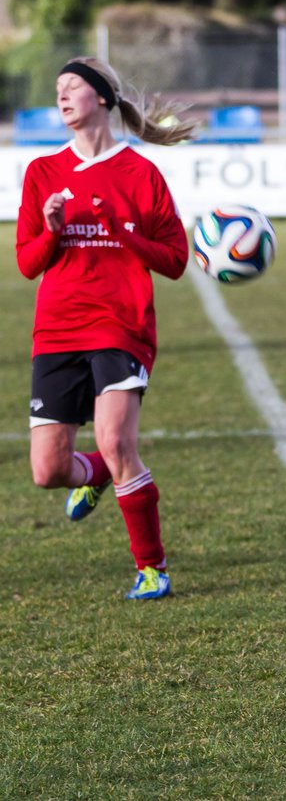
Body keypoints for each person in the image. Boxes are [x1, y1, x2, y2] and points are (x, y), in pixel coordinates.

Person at [14, 57, 196, 600]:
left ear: (101, 98)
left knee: (118, 440)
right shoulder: (42, 173)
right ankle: (95, 472)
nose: (62, 97)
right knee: (47, 471)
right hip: (57, 329)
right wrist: (51, 231)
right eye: (57, 90)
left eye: (72, 88)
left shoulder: (141, 173)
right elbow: (27, 263)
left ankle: (152, 568)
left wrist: (124, 233)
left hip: (121, 324)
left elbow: (175, 260)